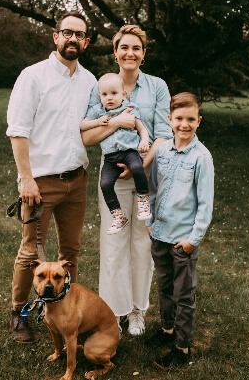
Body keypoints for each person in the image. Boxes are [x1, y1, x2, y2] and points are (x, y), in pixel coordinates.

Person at [6, 11, 96, 343]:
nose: (73, 39)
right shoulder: (33, 77)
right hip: (40, 183)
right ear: (55, 36)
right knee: (32, 253)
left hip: (77, 180)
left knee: (70, 251)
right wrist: (25, 178)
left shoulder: (90, 81)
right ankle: (19, 313)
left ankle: (61, 309)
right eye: (67, 32)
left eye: (80, 35)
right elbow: (17, 131)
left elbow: (91, 128)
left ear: (85, 42)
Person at [81, 25, 173, 335]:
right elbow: (88, 134)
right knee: (113, 244)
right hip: (113, 178)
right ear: (115, 52)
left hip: (146, 176)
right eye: (124, 47)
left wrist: (139, 165)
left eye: (136, 48)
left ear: (143, 53)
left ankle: (136, 311)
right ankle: (112, 313)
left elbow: (164, 134)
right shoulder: (102, 85)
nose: (130, 53)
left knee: (141, 244)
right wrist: (117, 122)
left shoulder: (157, 86)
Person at [145, 92, 214, 369]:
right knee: (164, 287)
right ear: (170, 119)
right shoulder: (161, 151)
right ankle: (167, 331)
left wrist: (192, 240)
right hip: (160, 234)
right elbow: (152, 188)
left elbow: (205, 204)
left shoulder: (201, 157)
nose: (184, 125)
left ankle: (182, 348)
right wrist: (150, 221)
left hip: (182, 240)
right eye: (179, 119)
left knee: (183, 294)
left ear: (198, 121)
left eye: (190, 119)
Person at [80, 73, 152, 235]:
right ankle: (118, 215)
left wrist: (144, 141)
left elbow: (141, 129)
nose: (109, 98)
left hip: (129, 152)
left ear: (123, 94)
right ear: (100, 96)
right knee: (104, 183)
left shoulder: (130, 108)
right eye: (105, 95)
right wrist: (97, 122)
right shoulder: (98, 111)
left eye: (114, 93)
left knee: (136, 166)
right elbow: (83, 125)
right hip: (110, 158)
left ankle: (143, 199)